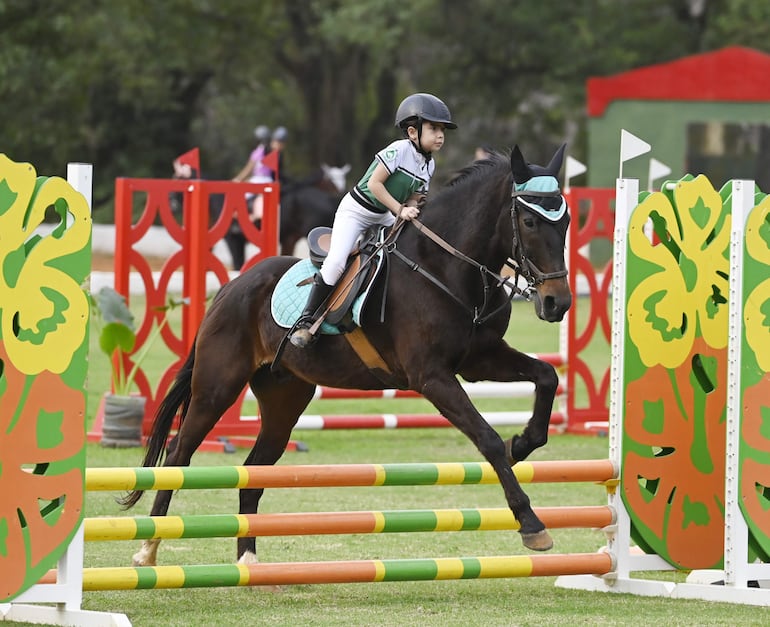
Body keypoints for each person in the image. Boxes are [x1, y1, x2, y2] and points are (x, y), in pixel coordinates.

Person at [289, 92, 457, 348]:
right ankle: (305, 320)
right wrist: (401, 211)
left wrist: (411, 209)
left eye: (442, 129)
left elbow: (414, 197)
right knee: (335, 262)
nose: (440, 135)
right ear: (413, 132)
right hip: (356, 211)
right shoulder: (398, 150)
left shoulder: (428, 165)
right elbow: (375, 185)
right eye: (433, 128)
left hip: (384, 215)